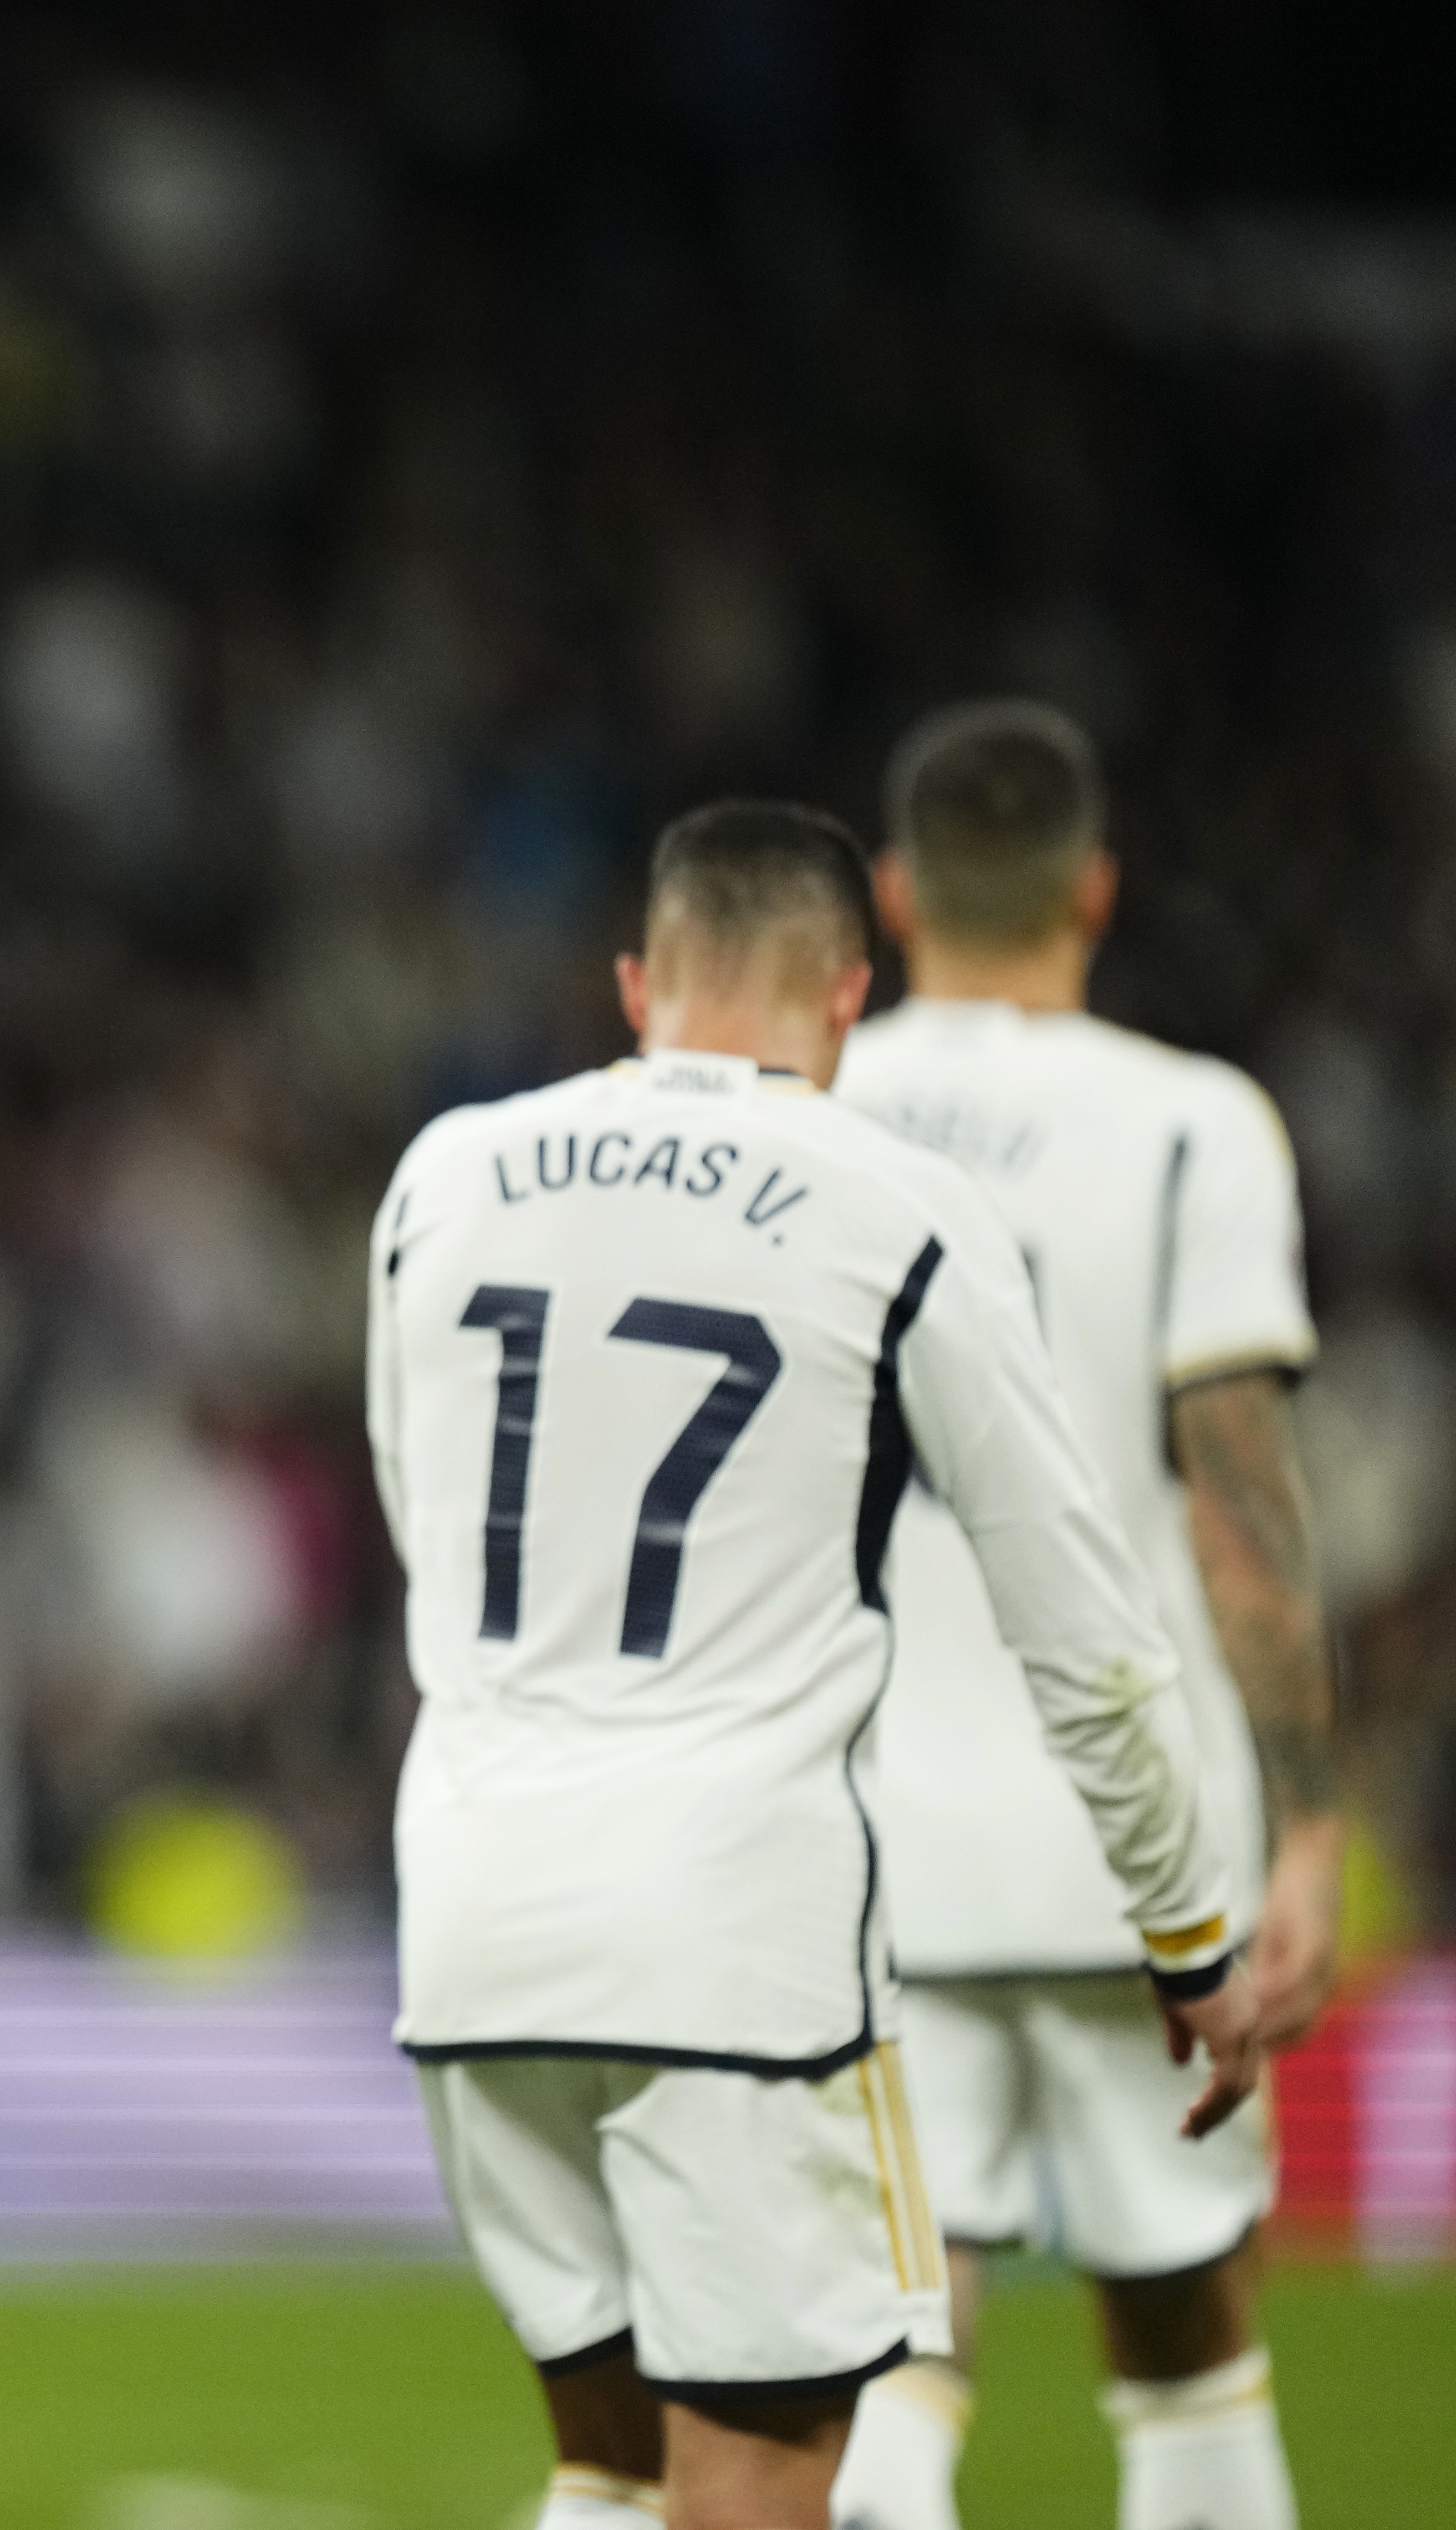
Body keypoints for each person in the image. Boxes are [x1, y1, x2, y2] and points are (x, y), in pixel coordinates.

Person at [361, 801, 1264, 2530]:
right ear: (848, 998)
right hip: (732, 1933)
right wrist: (1184, 1925)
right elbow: (1079, 1620)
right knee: (762, 2468)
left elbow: (423, 1519)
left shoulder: (442, 1172)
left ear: (637, 982)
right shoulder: (894, 1201)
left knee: (604, 2463)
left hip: (474, 1908)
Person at [827, 703, 1336, 2530]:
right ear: (1093, 891)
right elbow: (1242, 1514)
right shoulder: (1195, 1125)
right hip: (1142, 1827)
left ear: (890, 895)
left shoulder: (811, 1112)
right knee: (1192, 2328)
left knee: (891, 2327)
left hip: (862, 1820)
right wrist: (1312, 1822)